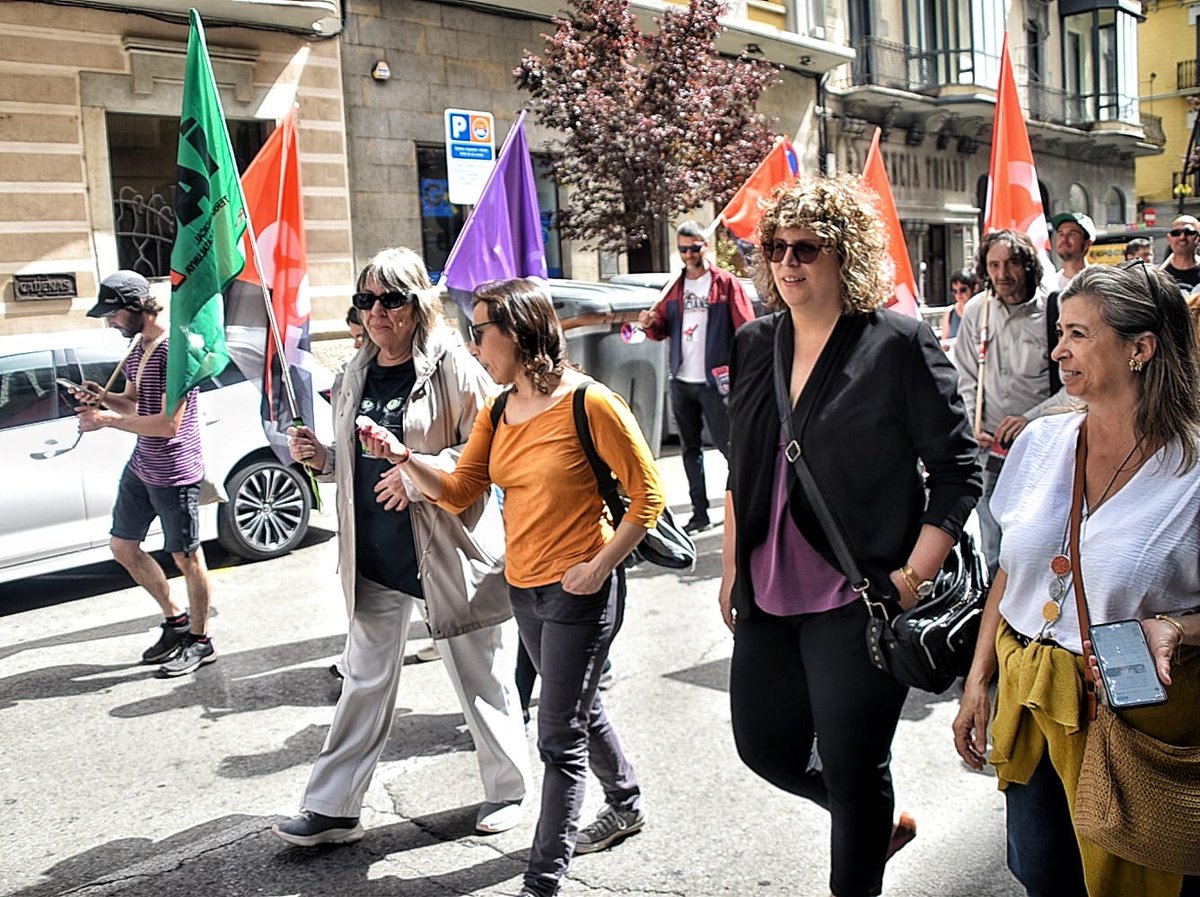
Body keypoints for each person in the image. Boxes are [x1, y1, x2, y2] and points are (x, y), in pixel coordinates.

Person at [718, 175, 981, 897]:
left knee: (853, 758)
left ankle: (857, 860)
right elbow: (743, 466)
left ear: (846, 254)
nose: (787, 262)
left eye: (807, 247)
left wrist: (911, 578)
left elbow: (958, 471)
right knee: (765, 747)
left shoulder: (894, 343)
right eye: (776, 247)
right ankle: (869, 821)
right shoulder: (753, 342)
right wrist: (728, 567)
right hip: (768, 589)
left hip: (857, 594)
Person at [360, 278, 665, 897]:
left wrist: (600, 565)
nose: (472, 345)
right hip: (522, 589)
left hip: (581, 589)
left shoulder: (592, 404)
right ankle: (626, 801)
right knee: (577, 707)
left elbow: (648, 496)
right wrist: (402, 455)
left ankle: (543, 879)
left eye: (480, 331)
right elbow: (459, 489)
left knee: (557, 736)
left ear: (521, 333)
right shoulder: (499, 410)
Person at [953, 261, 1200, 897]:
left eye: (1080, 334)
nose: (1058, 349)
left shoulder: (1193, 471)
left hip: (1137, 721)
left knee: (1137, 878)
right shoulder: (1041, 442)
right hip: (1032, 703)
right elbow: (1011, 572)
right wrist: (978, 682)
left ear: (1140, 348)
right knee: (1044, 874)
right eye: (1059, 330)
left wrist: (1176, 627)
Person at [272, 248, 532, 847]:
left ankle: (509, 788)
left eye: (391, 300)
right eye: (367, 301)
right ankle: (332, 807)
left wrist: (416, 475)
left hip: (444, 548)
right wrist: (326, 459)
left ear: (418, 306)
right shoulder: (353, 373)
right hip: (374, 554)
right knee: (363, 679)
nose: (377, 313)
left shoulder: (456, 369)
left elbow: (487, 455)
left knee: (481, 676)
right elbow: (358, 460)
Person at [73, 270, 215, 678]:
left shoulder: (177, 351)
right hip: (143, 464)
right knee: (123, 546)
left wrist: (105, 420)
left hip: (173, 470)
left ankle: (201, 642)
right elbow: (135, 403)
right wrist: (102, 396)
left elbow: (167, 425)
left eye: (113, 314)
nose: (110, 322)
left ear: (136, 307)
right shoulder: (140, 345)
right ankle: (176, 620)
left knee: (187, 558)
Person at [953, 230, 1061, 576]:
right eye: (993, 265)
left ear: (1027, 265)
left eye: (1012, 263)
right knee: (993, 539)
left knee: (1040, 537)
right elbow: (965, 376)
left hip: (1042, 446)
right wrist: (972, 425)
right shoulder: (976, 311)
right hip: (990, 450)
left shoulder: (1054, 309)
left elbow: (1075, 387)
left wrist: (1030, 419)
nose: (1002, 274)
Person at [638, 220, 755, 534]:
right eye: (683, 249)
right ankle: (699, 512)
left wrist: (743, 376)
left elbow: (747, 332)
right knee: (690, 449)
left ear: (707, 246)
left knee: (730, 447)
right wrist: (649, 323)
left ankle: (745, 508)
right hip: (682, 380)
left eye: (694, 247)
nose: (689, 254)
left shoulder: (725, 284)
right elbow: (659, 330)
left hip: (716, 381)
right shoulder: (674, 287)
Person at [1051, 212, 1095, 290]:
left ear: (1087, 243)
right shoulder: (1049, 284)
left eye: (1072, 234)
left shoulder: (1098, 281)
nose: (1064, 239)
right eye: (1060, 234)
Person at [940, 269, 979, 350]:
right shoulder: (949, 312)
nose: (959, 294)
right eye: (954, 291)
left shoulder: (980, 311)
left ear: (975, 288)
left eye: (963, 290)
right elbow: (944, 344)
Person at [1161, 214, 1200, 291]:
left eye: (1189, 232)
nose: (1182, 237)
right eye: (1176, 233)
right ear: (1169, 238)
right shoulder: (1157, 276)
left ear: (1198, 238)